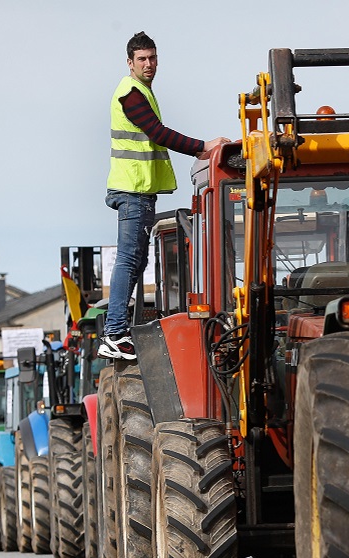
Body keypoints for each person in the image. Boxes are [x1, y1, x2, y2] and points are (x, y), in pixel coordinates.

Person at [97, 30, 228, 360]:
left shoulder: (141, 91)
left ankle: (118, 329)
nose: (149, 64)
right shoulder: (131, 93)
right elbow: (157, 133)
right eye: (142, 59)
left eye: (153, 57)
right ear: (130, 63)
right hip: (133, 190)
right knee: (129, 259)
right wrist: (203, 147)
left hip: (139, 190)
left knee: (137, 260)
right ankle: (114, 332)